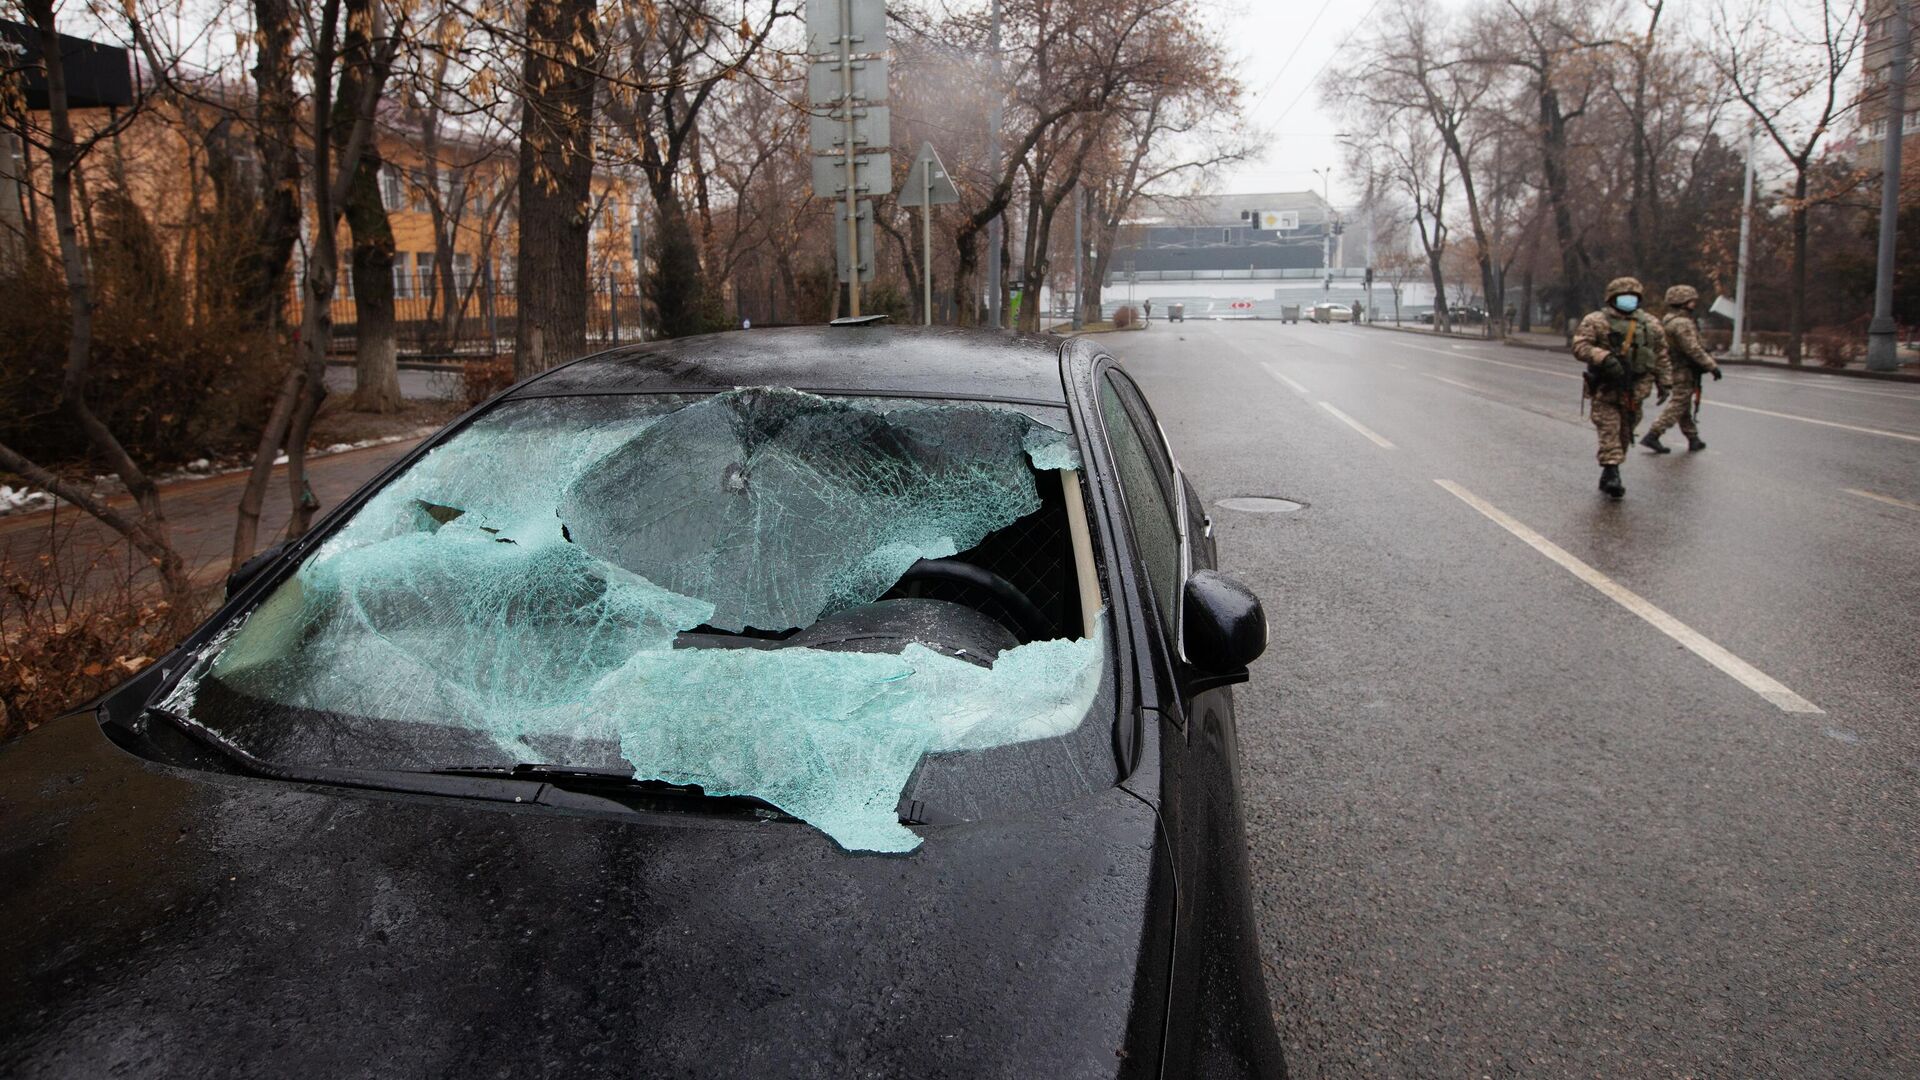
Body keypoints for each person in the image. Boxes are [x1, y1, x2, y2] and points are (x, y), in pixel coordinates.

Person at [1571, 277, 1671, 498]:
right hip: (1606, 387)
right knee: (1609, 429)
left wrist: (1665, 381)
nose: (1629, 300)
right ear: (1612, 298)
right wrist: (1604, 357)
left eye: (1633, 297)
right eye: (1624, 297)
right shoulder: (1596, 321)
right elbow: (1580, 345)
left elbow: (1661, 354)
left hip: (1636, 390)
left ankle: (1610, 469)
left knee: (1625, 432)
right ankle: (1612, 471)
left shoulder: (1651, 324)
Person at [1641, 284, 1722, 453]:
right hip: (1682, 369)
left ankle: (1693, 438)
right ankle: (1653, 434)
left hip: (1675, 367)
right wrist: (1712, 366)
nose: (1694, 303)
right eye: (1692, 300)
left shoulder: (1669, 319)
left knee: (1683, 405)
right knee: (1679, 403)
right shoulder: (1682, 323)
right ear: (1684, 302)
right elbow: (1692, 348)